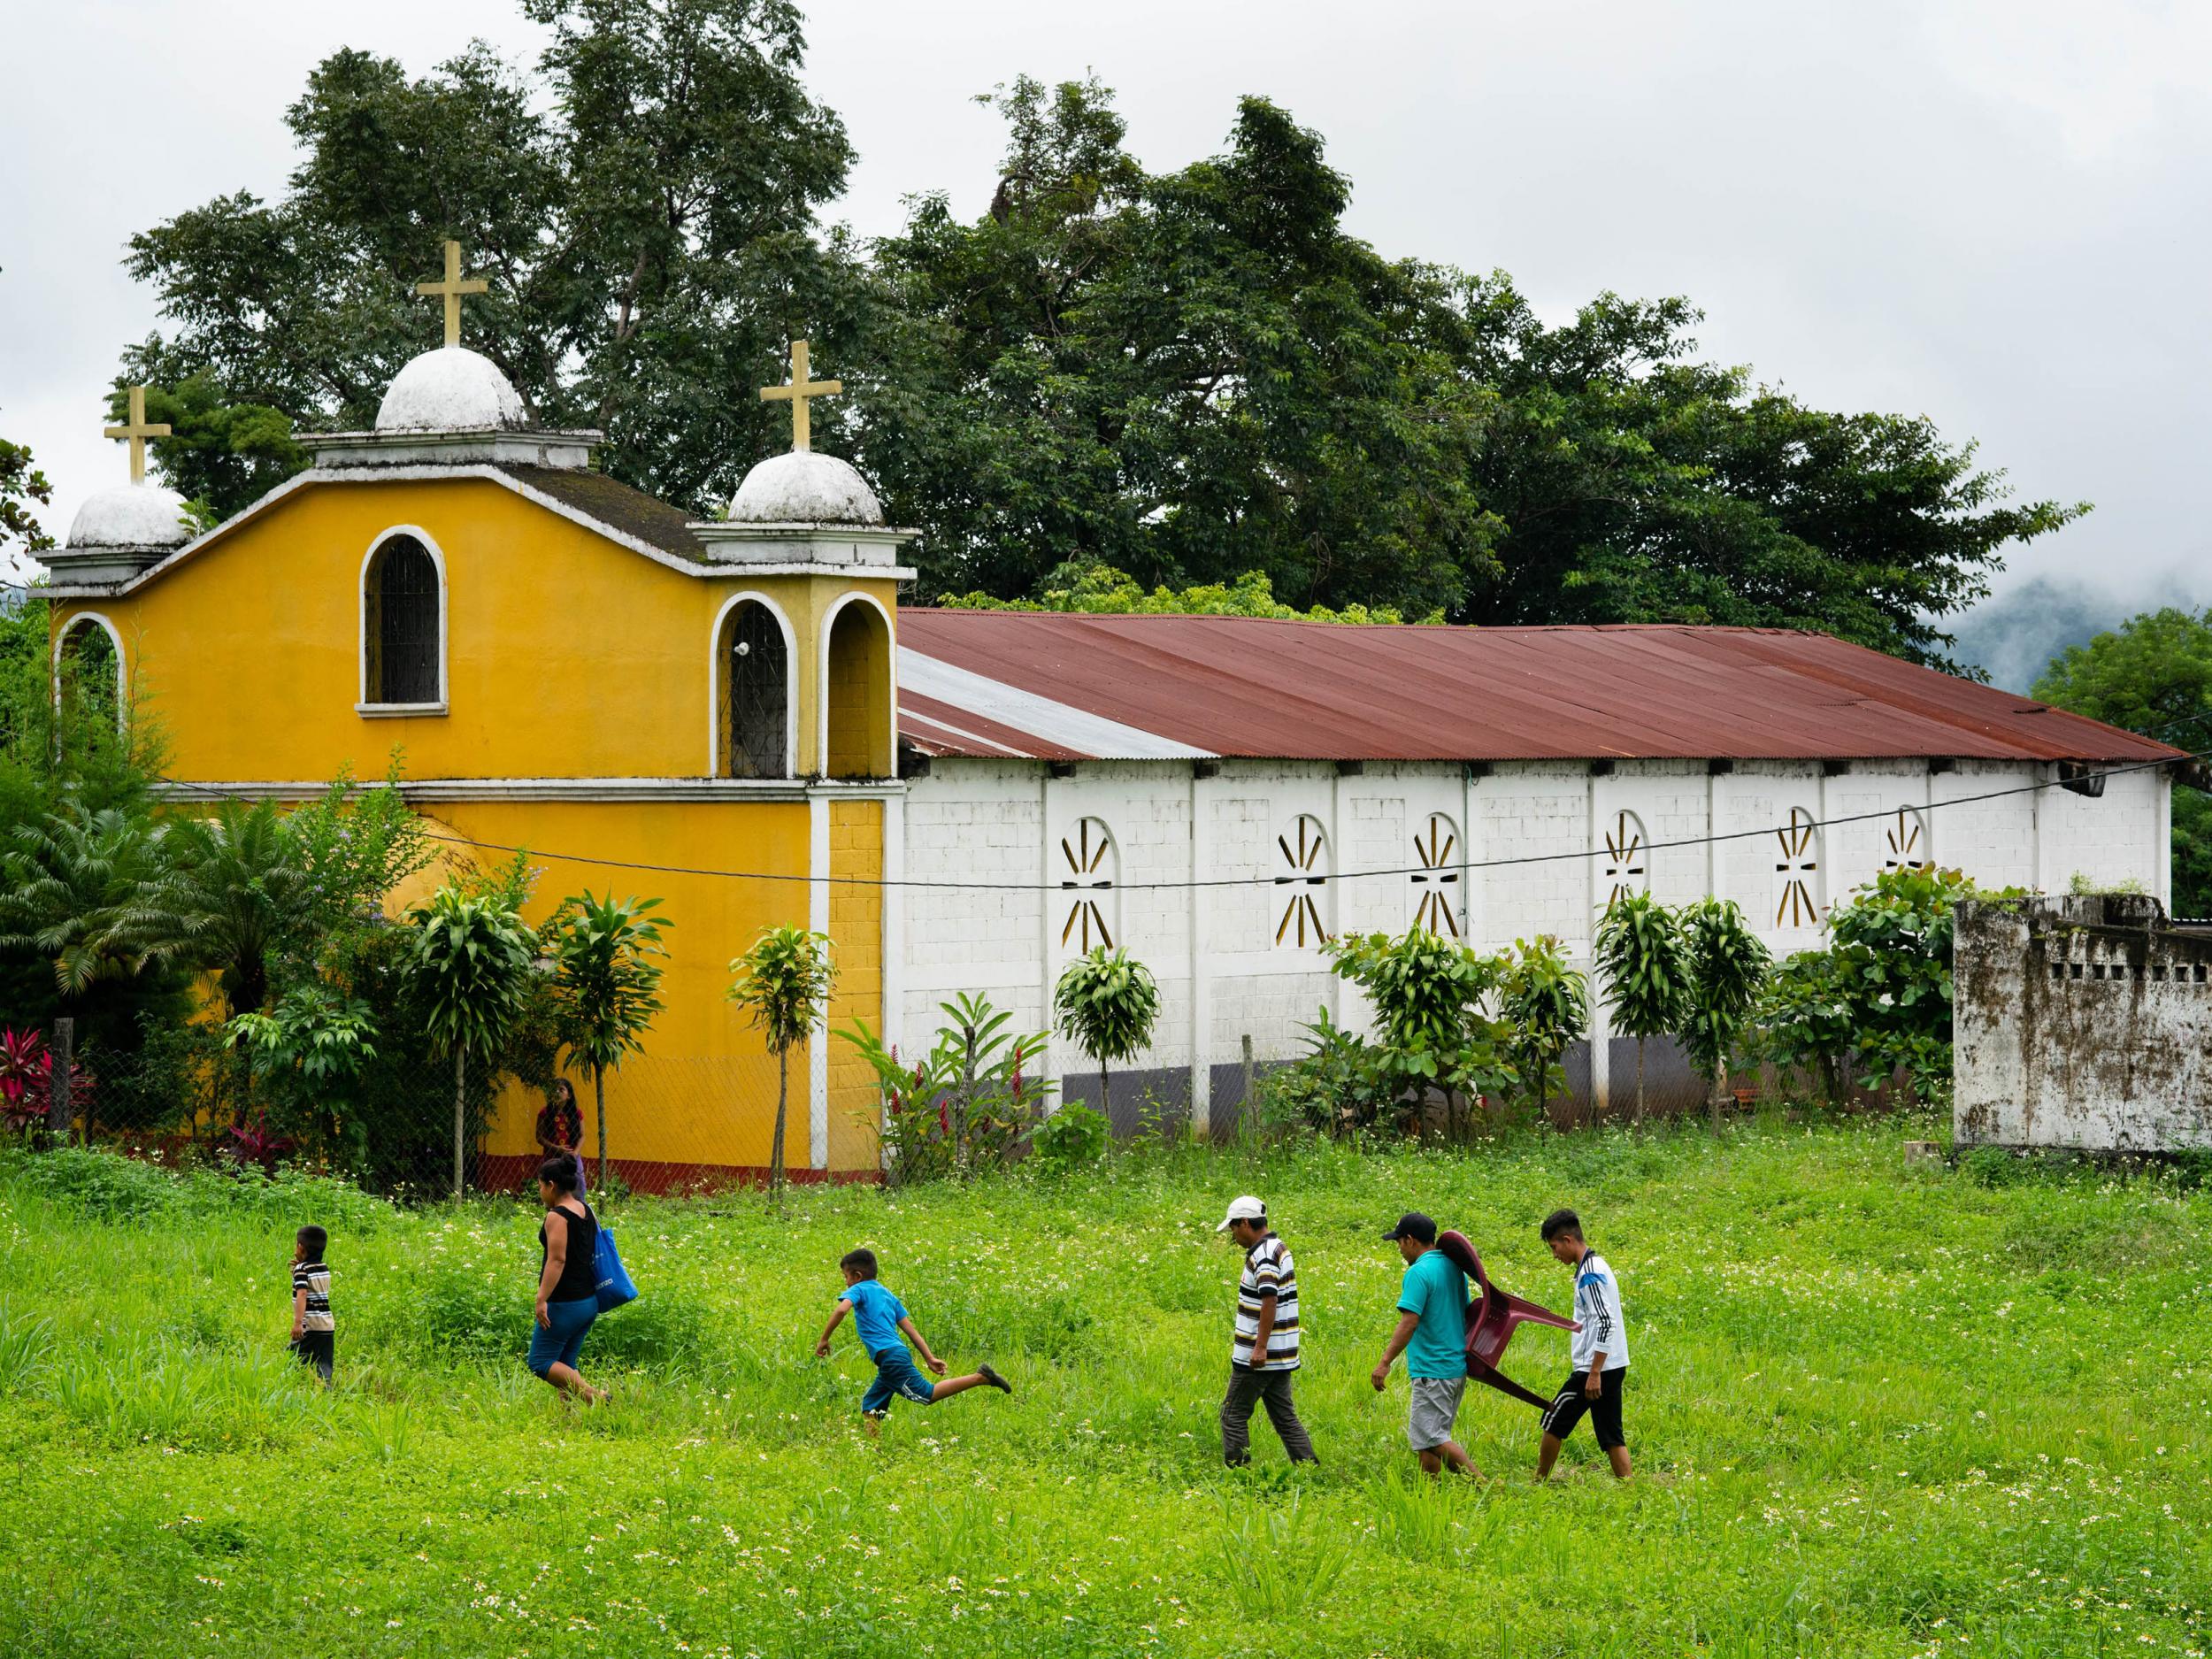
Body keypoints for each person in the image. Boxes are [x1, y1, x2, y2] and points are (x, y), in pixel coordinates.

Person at [815, 1248, 1010, 1432]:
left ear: (857, 1276)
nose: (846, 1283)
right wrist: (929, 1358)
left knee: (927, 1395)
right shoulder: (888, 1295)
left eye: (846, 1277)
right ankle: (873, 1451)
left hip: (890, 1358)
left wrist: (824, 1339)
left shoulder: (859, 1289)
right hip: (894, 1355)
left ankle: (981, 1378)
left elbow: (842, 1309)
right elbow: (911, 1331)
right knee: (871, 1407)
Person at [1371, 1211, 1477, 1477]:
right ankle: (1430, 1494)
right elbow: (1466, 1312)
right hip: (1454, 1365)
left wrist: (1384, 1363)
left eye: (1398, 1242)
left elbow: (1409, 1322)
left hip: (1433, 1368)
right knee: (1425, 1442)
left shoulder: (1419, 1272)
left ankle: (1483, 1484)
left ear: (1410, 1240)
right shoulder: (1454, 1268)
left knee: (1432, 1438)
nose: (1399, 1249)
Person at [1215, 1194, 1317, 1467]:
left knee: (1233, 1415)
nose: (1233, 1235)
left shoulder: (1264, 1255)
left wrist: (1259, 1347)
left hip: (1259, 1357)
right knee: (1284, 1417)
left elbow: (1269, 1299)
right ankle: (1308, 1468)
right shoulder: (1278, 1247)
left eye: (1234, 1228)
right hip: (1281, 1355)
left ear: (1245, 1223)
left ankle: (1240, 1473)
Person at [1535, 1208, 1632, 1480]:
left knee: (1553, 1421)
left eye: (1555, 1247)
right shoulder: (1596, 1265)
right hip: (1612, 1364)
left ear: (1568, 1240)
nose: (1555, 1255)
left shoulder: (1590, 1273)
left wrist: (1593, 1372)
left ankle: (1538, 1482)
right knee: (1611, 1434)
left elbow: (1605, 1321)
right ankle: (1631, 1487)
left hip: (1595, 1368)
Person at [528, 1156, 607, 1405]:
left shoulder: (557, 1216)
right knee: (564, 1365)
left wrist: (542, 1298)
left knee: (540, 1362)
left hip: (565, 1303)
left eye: (540, 1187)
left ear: (551, 1185)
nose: (540, 1193)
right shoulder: (586, 1209)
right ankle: (569, 1422)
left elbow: (557, 1260)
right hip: (588, 1302)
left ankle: (599, 1397)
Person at [288, 1224, 334, 1385]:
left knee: (292, 1359)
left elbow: (302, 1293)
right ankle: (325, 1389)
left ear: (300, 1247)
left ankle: (296, 1386)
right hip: (327, 1326)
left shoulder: (302, 1269)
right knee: (324, 1364)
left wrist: (298, 1323)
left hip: (310, 1326)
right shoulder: (324, 1267)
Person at [536, 1079, 587, 1194]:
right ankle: (553, 1209)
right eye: (554, 1090)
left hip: (572, 1156)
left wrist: (575, 1153)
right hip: (551, 1155)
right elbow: (539, 1137)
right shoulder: (544, 1113)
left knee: (578, 1182)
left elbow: (582, 1135)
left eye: (561, 1090)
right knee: (552, 1185)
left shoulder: (576, 1113)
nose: (557, 1092)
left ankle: (580, 1206)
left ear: (569, 1095)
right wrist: (556, 1148)